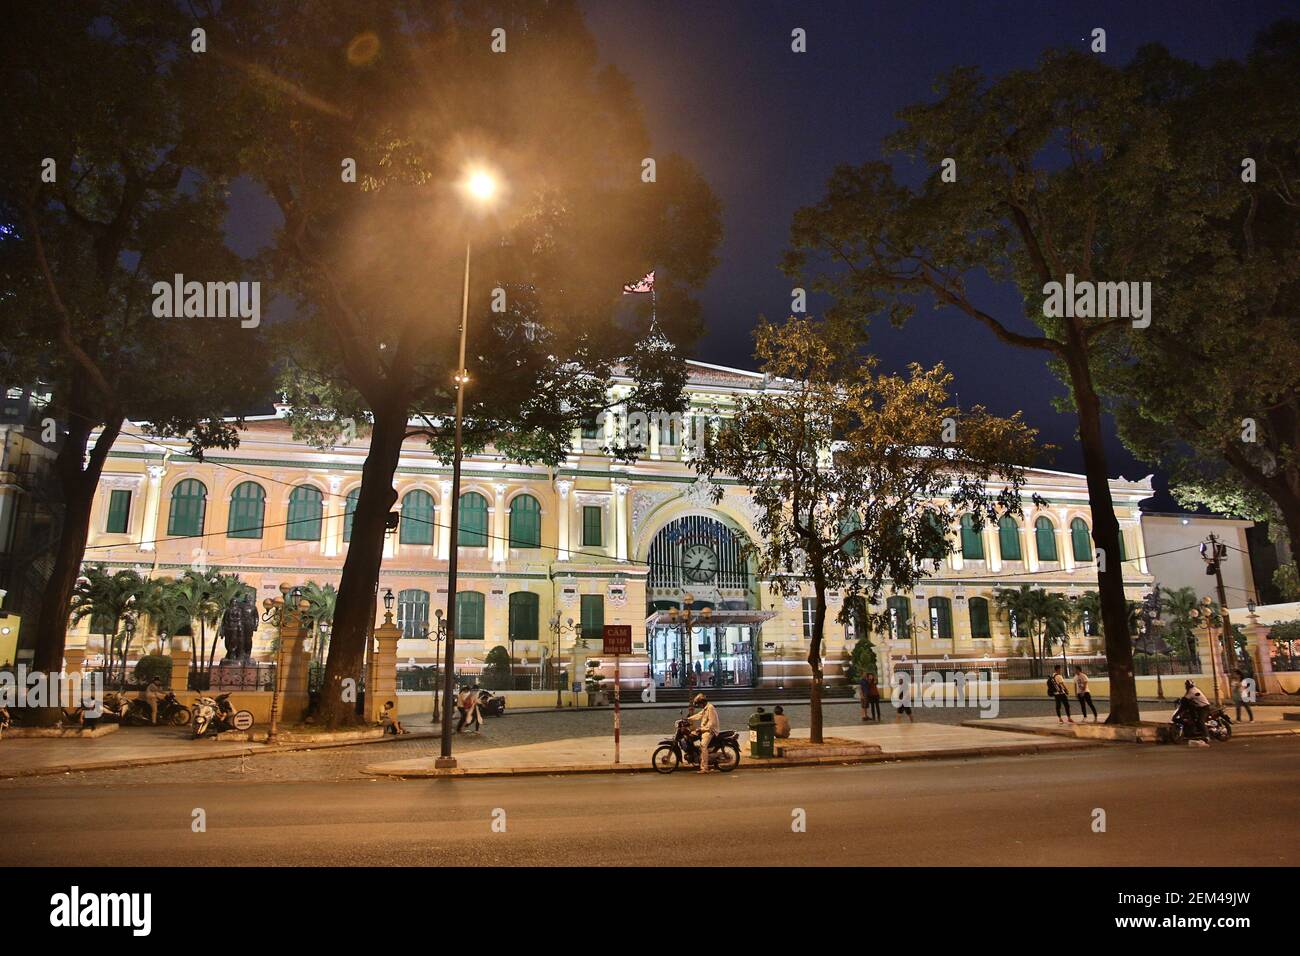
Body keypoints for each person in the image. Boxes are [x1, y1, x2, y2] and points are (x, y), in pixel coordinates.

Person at [686, 692, 720, 773]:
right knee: (691, 735)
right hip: (705, 729)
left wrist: (701, 729)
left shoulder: (710, 708)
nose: (699, 706)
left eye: (699, 704)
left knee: (703, 745)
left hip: (710, 731)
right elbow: (699, 715)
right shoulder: (705, 708)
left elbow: (712, 723)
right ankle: (694, 757)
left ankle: (705, 768)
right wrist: (688, 719)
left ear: (702, 702)